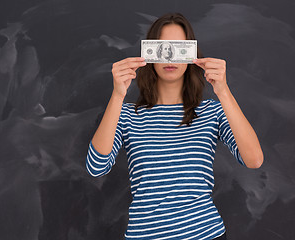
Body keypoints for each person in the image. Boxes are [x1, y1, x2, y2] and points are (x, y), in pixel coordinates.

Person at [86, 13, 263, 240]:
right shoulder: (127, 115)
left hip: (205, 234)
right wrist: (117, 96)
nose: (169, 56)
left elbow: (254, 159)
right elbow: (95, 167)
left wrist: (223, 92)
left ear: (191, 54)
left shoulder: (212, 111)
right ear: (149, 54)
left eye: (179, 47)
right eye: (161, 47)